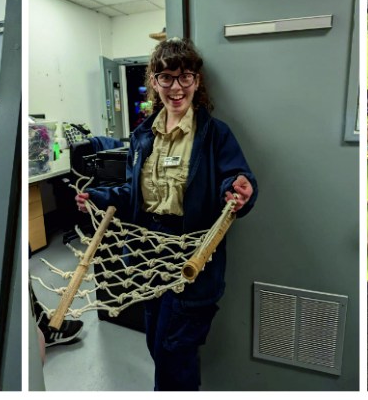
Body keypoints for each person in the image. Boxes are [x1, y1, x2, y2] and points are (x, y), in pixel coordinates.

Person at [74, 38, 258, 390]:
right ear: (154, 82)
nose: (177, 87)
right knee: (157, 345)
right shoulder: (143, 136)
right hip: (148, 257)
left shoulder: (214, 135)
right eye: (167, 78)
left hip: (192, 257)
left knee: (175, 353)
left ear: (197, 82)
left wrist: (240, 189)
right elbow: (133, 194)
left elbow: (236, 181)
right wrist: (96, 197)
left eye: (185, 77)